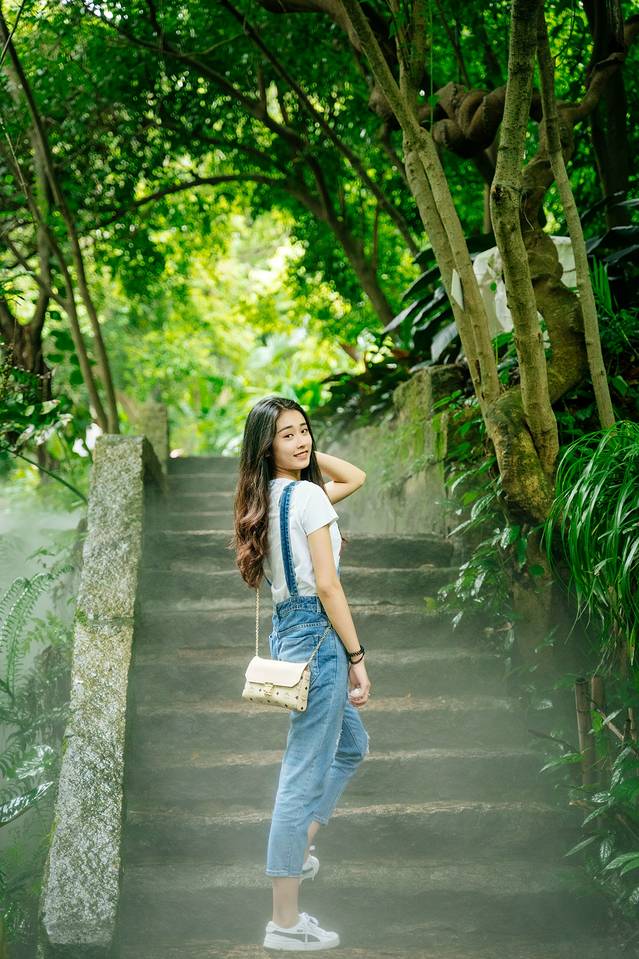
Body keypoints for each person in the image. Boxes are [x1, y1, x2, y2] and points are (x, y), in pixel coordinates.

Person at [232, 395, 371, 951]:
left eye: (304, 430)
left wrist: (301, 451)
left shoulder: (268, 498)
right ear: (264, 447)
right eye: (286, 435)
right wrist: (357, 658)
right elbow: (329, 585)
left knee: (351, 746)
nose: (302, 440)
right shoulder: (307, 497)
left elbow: (354, 478)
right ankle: (284, 923)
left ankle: (301, 843)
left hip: (290, 633)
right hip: (318, 634)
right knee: (301, 774)